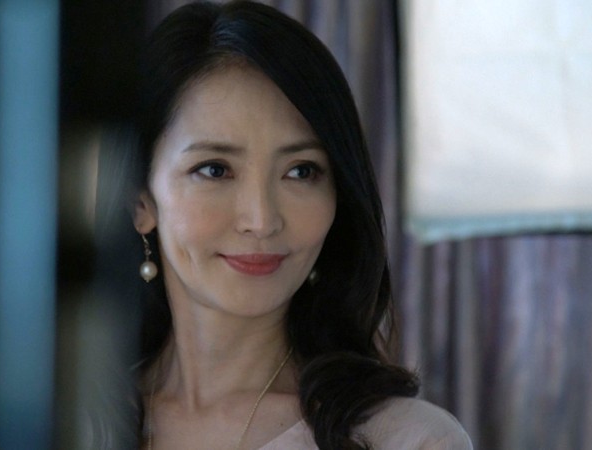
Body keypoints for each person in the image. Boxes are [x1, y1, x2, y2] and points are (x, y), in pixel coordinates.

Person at [91, 1, 473, 448]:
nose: (261, 220)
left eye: (301, 171)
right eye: (215, 170)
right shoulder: (63, 419)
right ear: (141, 200)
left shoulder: (408, 440)